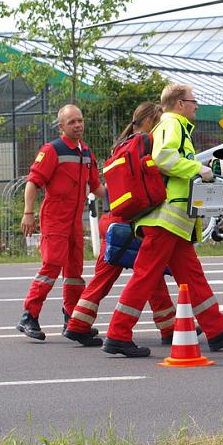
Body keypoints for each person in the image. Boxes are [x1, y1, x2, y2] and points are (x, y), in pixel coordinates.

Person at [102, 83, 223, 357]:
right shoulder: (173, 123)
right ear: (180, 103)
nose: (197, 106)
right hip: (166, 220)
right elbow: (163, 159)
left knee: (192, 276)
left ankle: (216, 329)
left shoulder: (168, 125)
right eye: (194, 101)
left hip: (174, 221)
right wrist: (198, 169)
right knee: (145, 275)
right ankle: (117, 334)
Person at [63, 102, 181, 348]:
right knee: (148, 274)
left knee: (118, 276)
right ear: (150, 120)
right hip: (129, 221)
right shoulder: (146, 143)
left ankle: (78, 323)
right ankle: (167, 328)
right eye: (158, 121)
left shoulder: (121, 144)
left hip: (114, 217)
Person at [18, 104, 106, 341]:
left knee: (75, 273)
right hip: (55, 220)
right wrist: (28, 213)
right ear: (61, 127)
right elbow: (33, 182)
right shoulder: (52, 150)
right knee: (51, 268)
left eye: (80, 120)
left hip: (75, 223)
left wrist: (121, 198)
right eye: (72, 122)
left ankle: (74, 322)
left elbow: (96, 186)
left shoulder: (86, 152)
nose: (78, 125)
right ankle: (29, 316)